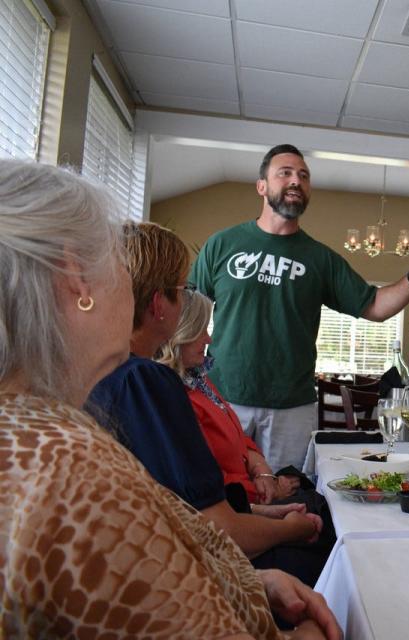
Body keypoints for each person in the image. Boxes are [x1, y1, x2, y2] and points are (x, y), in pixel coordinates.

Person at [0, 159, 340, 639]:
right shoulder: (70, 467)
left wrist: (252, 582)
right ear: (78, 278)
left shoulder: (42, 429)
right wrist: (312, 630)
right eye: (119, 263)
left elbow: (150, 570)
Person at [88, 221, 331, 588]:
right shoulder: (147, 384)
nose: (188, 301)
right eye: (183, 290)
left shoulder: (99, 374)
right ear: (159, 304)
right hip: (182, 579)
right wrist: (288, 530)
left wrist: (268, 513)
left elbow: (180, 508)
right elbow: (218, 531)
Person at [190, 144, 409, 471]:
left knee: (288, 497)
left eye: (303, 176)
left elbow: (373, 305)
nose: (295, 181)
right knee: (219, 491)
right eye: (284, 173)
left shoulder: (320, 259)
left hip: (292, 408)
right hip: (224, 397)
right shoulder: (222, 245)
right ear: (262, 186)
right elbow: (191, 312)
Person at [156, 289, 300, 506]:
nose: (208, 338)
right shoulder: (173, 397)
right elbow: (209, 483)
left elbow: (240, 440)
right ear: (178, 335)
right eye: (200, 330)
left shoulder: (199, 380)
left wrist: (262, 472)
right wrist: (269, 490)